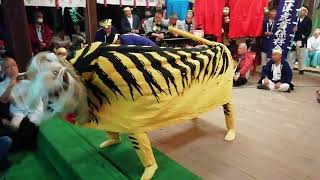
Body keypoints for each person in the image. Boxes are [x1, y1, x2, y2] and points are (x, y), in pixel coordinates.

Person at [0, 57, 42, 151]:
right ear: (3, 70)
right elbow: (4, 100)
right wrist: (11, 85)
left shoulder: (27, 76)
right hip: (17, 111)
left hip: (34, 108)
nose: (12, 69)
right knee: (15, 127)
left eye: (14, 65)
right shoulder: (2, 85)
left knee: (30, 125)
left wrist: (31, 78)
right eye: (8, 67)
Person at [290, 6, 312, 74]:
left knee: (301, 55)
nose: (300, 11)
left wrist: (299, 31)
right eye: (300, 10)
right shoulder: (295, 19)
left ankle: (301, 69)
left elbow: (308, 31)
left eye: (302, 10)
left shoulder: (308, 20)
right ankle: (290, 68)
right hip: (294, 39)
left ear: (305, 12)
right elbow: (291, 27)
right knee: (292, 54)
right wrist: (293, 29)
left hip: (301, 40)